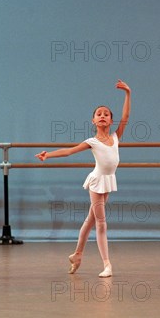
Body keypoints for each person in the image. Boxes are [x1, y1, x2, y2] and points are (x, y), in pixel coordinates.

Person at [36, 79, 131, 278]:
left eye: (106, 114)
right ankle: (107, 264)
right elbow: (69, 151)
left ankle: (77, 254)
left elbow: (126, 116)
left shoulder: (116, 137)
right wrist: (49, 155)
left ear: (111, 121)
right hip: (97, 182)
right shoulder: (92, 141)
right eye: (99, 114)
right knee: (101, 222)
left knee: (90, 220)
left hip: (108, 180)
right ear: (93, 121)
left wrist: (128, 94)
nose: (103, 116)